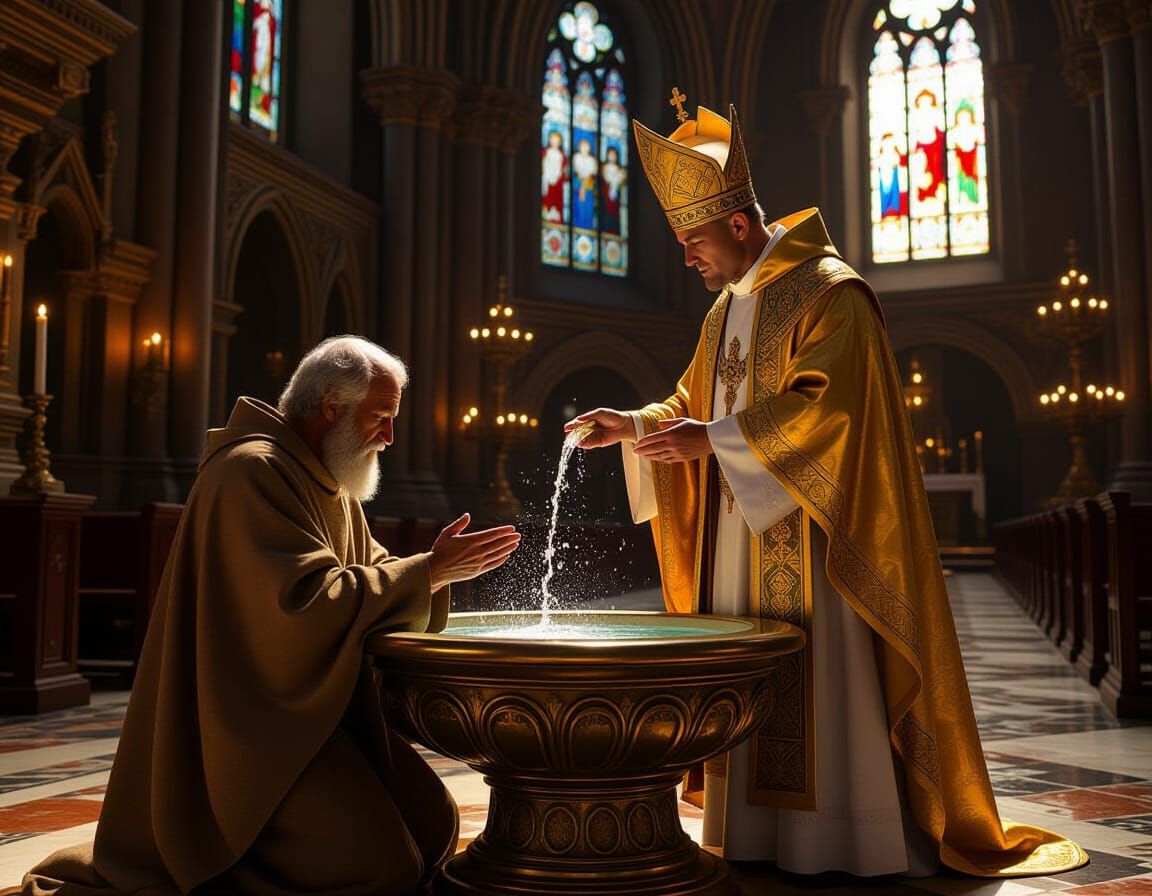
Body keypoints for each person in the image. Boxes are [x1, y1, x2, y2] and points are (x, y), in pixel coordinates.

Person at [566, 99, 1086, 879]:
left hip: (814, 537)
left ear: (737, 223)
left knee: (820, 680)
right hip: (736, 540)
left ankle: (845, 836)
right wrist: (635, 424)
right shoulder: (724, 310)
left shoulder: (831, 293)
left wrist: (714, 440)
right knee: (748, 667)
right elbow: (692, 402)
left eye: (693, 238)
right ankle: (754, 835)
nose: (685, 255)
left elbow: (831, 410)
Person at [19, 336, 521, 896]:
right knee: (383, 867)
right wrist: (426, 571)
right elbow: (299, 606)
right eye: (381, 417)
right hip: (246, 728)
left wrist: (437, 572)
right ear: (331, 408)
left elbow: (373, 569)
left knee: (434, 827)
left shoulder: (325, 478)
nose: (389, 436)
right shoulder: (250, 471)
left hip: (305, 714)